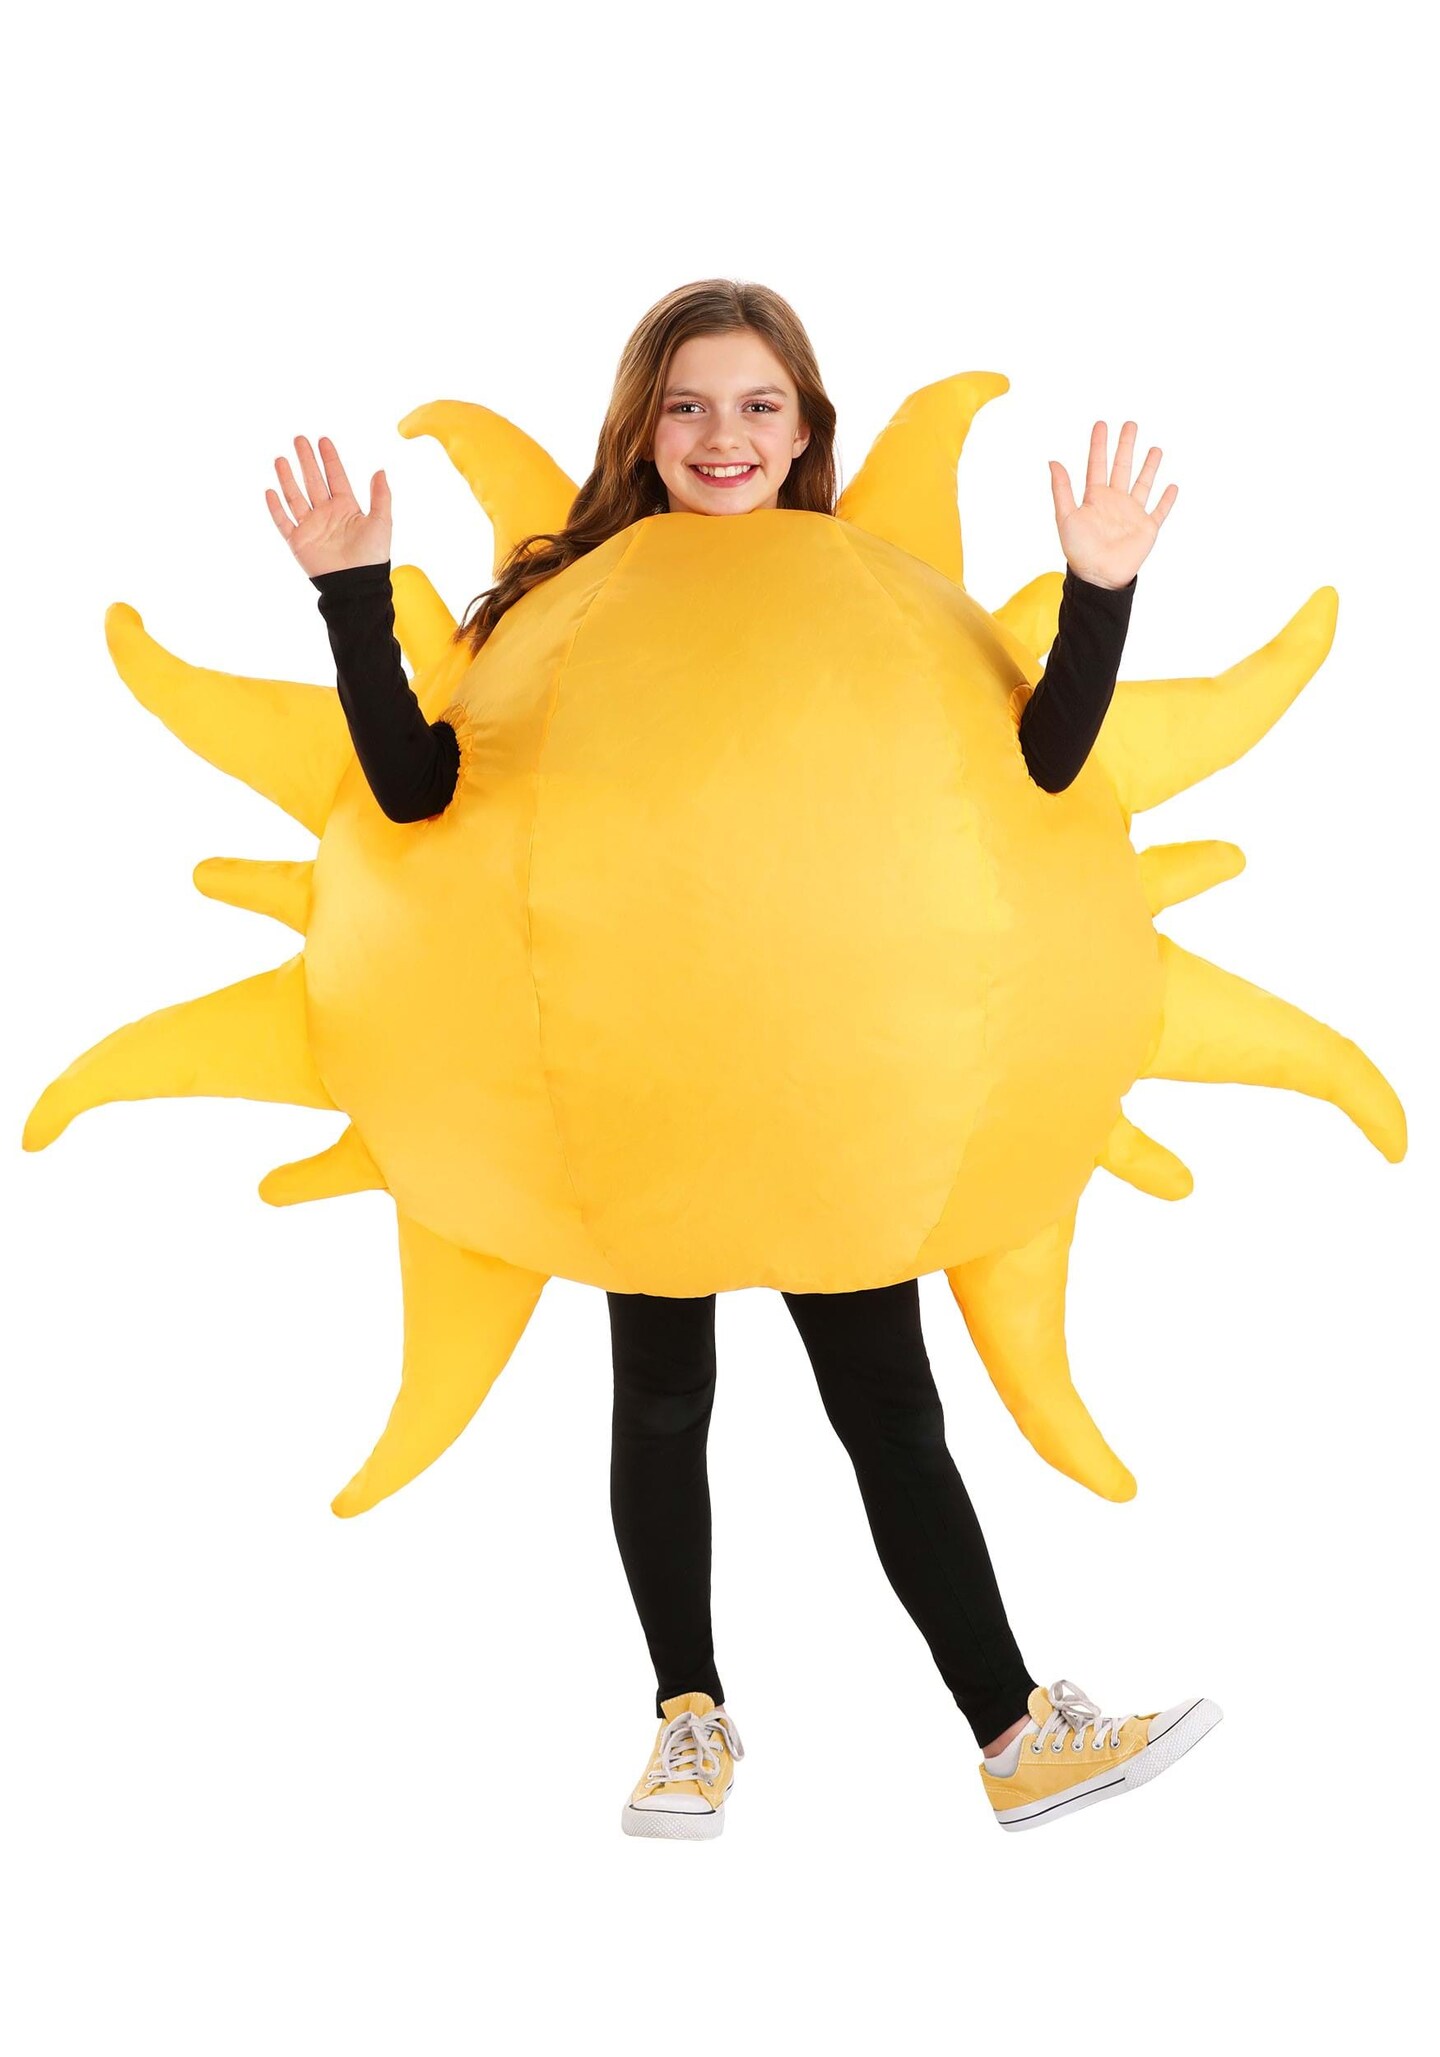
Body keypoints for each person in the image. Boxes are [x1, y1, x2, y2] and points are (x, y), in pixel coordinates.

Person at [264, 279, 1221, 1839]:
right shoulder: (564, 603)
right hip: (630, 1085)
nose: (725, 434)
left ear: (805, 426)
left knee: (892, 1415)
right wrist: (351, 595)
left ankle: (1014, 1732)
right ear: (643, 427)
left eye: (759, 403)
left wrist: (1100, 590)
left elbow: (1040, 764)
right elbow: (416, 789)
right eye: (691, 404)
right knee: (662, 1400)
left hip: (830, 1089)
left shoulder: (874, 596)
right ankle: (688, 1719)